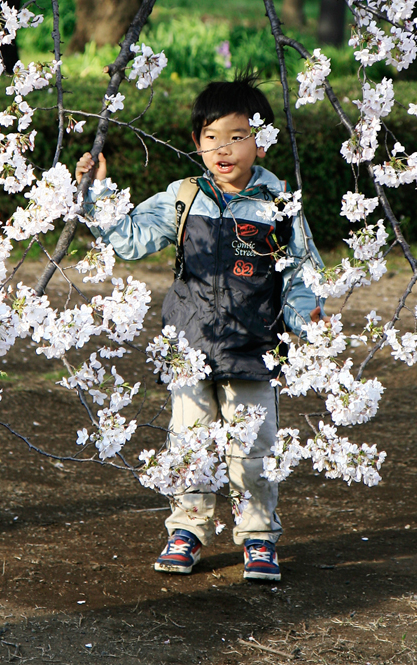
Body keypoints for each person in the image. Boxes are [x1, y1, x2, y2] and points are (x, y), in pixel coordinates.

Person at [76, 73, 323, 581]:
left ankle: (258, 536)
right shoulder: (185, 197)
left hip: (255, 348)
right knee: (188, 442)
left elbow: (300, 271)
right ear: (197, 143)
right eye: (211, 138)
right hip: (189, 345)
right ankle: (187, 528)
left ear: (261, 138)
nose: (223, 149)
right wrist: (98, 188)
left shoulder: (279, 204)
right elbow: (127, 239)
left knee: (253, 448)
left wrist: (305, 319)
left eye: (237, 136)